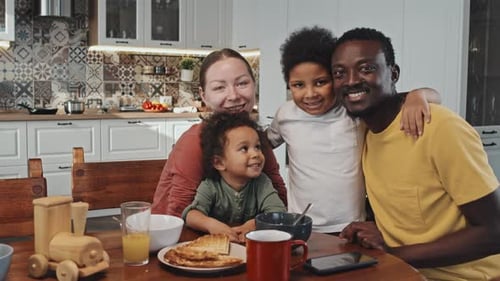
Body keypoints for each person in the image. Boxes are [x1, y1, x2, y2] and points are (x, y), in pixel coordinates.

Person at [333, 27, 500, 280]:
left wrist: (393, 253)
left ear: (393, 73)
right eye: (339, 73)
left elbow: (494, 231)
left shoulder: (440, 128)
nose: (351, 80)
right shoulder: (364, 131)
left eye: (366, 68)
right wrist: (379, 230)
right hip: (404, 272)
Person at [267, 26, 440, 233]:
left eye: (321, 82)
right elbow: (262, 143)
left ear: (335, 79)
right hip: (303, 225)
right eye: (298, 85)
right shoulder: (285, 115)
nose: (310, 94)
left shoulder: (354, 111)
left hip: (352, 225)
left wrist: (417, 96)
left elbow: (432, 97)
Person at [152, 48, 287, 217]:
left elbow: (278, 195)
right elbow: (178, 213)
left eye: (242, 83)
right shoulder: (194, 141)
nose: (233, 95)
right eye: (219, 87)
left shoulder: (254, 137)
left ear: (254, 85)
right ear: (204, 95)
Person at [182, 112, 286, 242]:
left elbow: (279, 212)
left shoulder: (262, 183)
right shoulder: (210, 186)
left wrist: (255, 223)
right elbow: (191, 215)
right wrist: (212, 225)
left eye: (257, 147)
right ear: (219, 163)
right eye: (244, 148)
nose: (255, 154)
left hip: (252, 249)